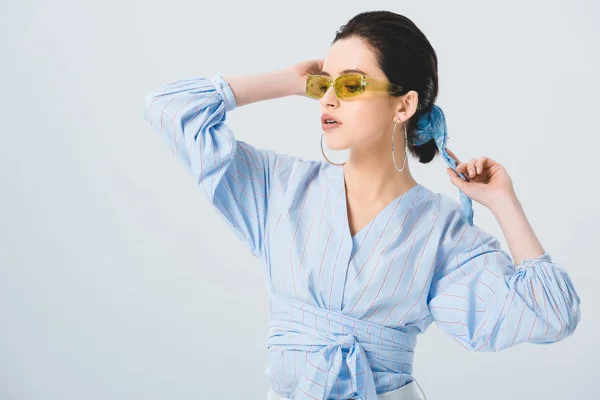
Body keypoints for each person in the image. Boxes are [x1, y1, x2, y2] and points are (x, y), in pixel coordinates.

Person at [142, 10, 580, 400]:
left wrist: (505, 204)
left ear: (404, 104)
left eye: (350, 84)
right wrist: (287, 81)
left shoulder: (442, 231)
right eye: (323, 84)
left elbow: (550, 314)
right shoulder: (280, 187)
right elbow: (168, 108)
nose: (329, 99)